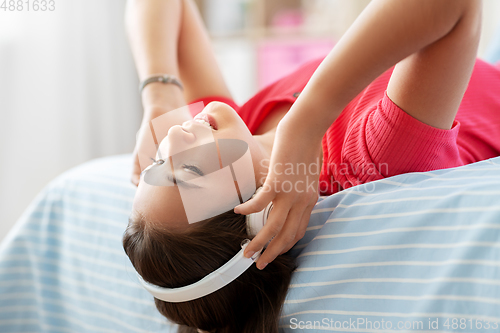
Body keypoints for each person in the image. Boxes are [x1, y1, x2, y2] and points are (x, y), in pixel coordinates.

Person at [124, 0, 500, 331]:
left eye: (159, 160)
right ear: (261, 215)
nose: (172, 137)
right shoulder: (365, 163)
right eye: (188, 171)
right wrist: (305, 123)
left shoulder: (244, 131)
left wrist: (159, 94)